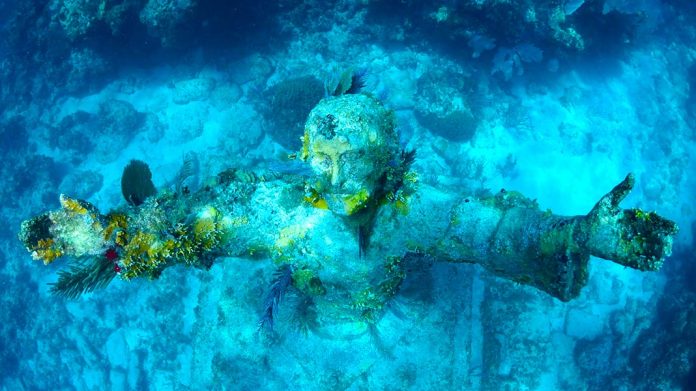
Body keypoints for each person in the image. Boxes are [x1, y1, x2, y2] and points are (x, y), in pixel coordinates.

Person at [18, 93, 678, 330]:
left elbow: (491, 225)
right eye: (317, 149)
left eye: (341, 154)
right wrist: (107, 236)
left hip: (372, 287)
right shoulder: (278, 205)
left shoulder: (412, 210)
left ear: (377, 159)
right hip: (322, 289)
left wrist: (579, 233)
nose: (323, 166)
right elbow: (197, 222)